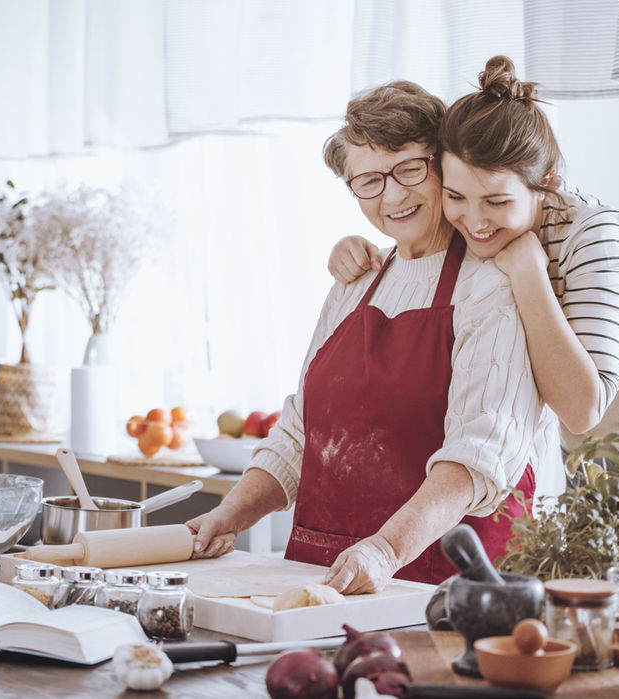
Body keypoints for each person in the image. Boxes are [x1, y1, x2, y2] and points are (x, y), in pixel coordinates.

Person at [327, 56, 619, 588]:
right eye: (457, 197)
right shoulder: (476, 220)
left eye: (497, 201)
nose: (474, 219)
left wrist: (529, 272)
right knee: (598, 616)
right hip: (587, 459)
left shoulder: (595, 235)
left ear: (547, 181)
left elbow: (582, 407)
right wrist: (357, 250)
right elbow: (417, 238)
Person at [185, 81, 556, 594]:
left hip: (443, 587)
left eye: (410, 169)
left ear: (443, 166)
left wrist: (385, 550)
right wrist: (227, 516)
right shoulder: (354, 281)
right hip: (327, 577)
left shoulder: (493, 284)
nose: (394, 195)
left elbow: (480, 456)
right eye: (369, 181)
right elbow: (300, 433)